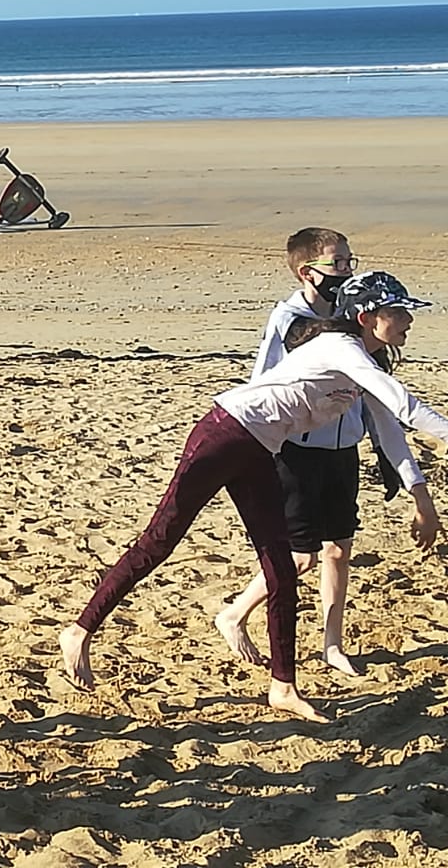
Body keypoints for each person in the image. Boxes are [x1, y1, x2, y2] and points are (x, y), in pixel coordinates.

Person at [60, 269, 444, 722]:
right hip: (224, 434)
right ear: (366, 317)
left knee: (282, 571)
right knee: (159, 541)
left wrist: (421, 498)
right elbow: (407, 406)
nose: (408, 321)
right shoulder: (341, 347)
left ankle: (283, 687)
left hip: (260, 449)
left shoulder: (364, 364)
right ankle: (79, 630)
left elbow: (391, 431)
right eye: (399, 312)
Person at [213, 228, 400, 676]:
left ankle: (333, 645)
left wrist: (382, 449)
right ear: (307, 272)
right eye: (337, 264)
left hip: (343, 447)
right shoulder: (289, 318)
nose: (346, 271)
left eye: (350, 262)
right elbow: (273, 375)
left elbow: (369, 387)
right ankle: (234, 614)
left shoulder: (349, 312)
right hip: (297, 448)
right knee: (301, 557)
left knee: (340, 549)